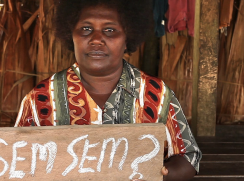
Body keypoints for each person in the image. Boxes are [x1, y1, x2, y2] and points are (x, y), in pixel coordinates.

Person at [14, 0, 201, 180]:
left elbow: (189, 158)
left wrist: (157, 174)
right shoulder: (39, 99)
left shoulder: (157, 94)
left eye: (110, 30)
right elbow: (15, 161)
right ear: (71, 35)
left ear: (127, 38)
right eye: (86, 29)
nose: (96, 40)